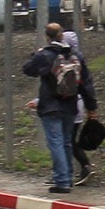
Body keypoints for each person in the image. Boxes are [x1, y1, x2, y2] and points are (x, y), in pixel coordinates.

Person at [22, 22, 97, 193]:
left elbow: (28, 69)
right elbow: (86, 83)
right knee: (66, 142)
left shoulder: (46, 55)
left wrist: (37, 54)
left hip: (50, 105)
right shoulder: (76, 55)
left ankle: (62, 181)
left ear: (47, 37)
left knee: (55, 143)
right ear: (62, 35)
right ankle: (67, 177)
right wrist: (92, 107)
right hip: (71, 105)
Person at [61, 30, 94, 186]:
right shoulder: (79, 59)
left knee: (67, 140)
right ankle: (81, 167)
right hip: (79, 104)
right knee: (69, 139)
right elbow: (87, 85)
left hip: (70, 104)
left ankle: (82, 166)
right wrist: (91, 107)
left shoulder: (68, 60)